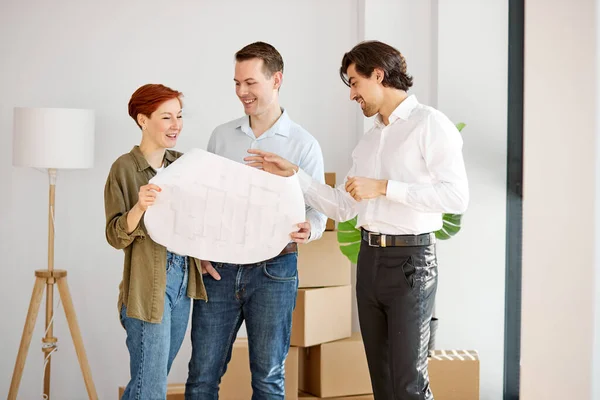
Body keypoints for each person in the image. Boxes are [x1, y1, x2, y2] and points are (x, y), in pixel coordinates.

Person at [245, 40, 469, 400]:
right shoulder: (369, 141)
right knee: (381, 380)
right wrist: (293, 174)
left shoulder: (429, 124)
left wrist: (384, 187)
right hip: (370, 263)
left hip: (412, 265)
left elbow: (456, 196)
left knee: (408, 382)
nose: (352, 95)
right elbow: (344, 207)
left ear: (378, 75)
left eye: (354, 82)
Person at [185, 42, 327, 400]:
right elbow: (205, 201)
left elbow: (318, 209)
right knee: (201, 376)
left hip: (274, 270)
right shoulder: (221, 136)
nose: (241, 92)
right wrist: (200, 251)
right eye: (236, 83)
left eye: (250, 83)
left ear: (276, 79)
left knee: (268, 378)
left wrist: (310, 229)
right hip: (219, 268)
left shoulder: (303, 144)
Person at [104, 84, 213, 399]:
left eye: (179, 116)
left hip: (184, 281)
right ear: (142, 119)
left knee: (148, 382)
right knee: (151, 388)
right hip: (147, 286)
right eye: (167, 117)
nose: (176, 125)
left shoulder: (185, 164)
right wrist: (139, 207)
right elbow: (114, 235)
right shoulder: (124, 168)